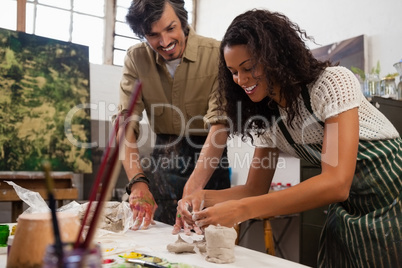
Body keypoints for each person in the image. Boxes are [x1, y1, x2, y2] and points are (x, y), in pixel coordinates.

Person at [177, 9, 402, 267]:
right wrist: (201, 198)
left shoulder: (331, 84)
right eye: (233, 72)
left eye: (248, 67)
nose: (241, 80)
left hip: (393, 200)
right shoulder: (265, 118)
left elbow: (336, 182)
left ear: (274, 57)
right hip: (348, 210)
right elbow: (254, 189)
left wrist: (242, 210)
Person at [115, 0, 230, 232]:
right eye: (153, 35)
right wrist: (137, 182)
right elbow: (126, 122)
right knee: (159, 240)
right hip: (163, 161)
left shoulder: (217, 54)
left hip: (209, 157)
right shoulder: (137, 58)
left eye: (170, 28)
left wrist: (193, 189)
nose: (165, 42)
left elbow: (220, 124)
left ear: (182, 20)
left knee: (209, 242)